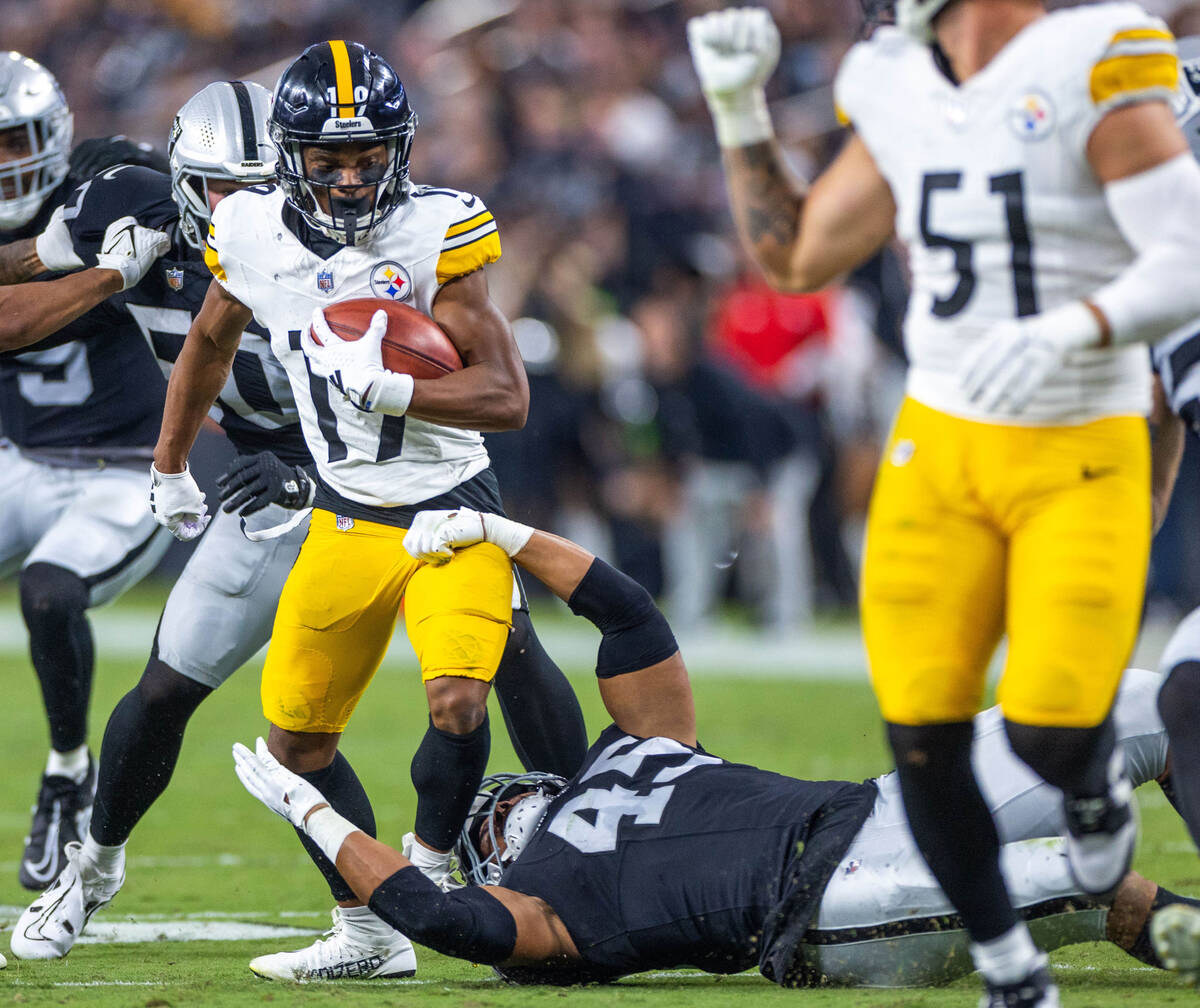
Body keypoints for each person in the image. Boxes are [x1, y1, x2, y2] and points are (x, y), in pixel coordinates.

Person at [687, 4, 1200, 1004]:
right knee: (923, 736)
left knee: (1052, 729)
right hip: (940, 437)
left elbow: (1185, 255)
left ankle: (1091, 786)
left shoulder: (1097, 56)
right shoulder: (898, 80)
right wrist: (739, 109)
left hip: (1076, 428)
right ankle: (1011, 971)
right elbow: (795, 257)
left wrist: (1076, 330)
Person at [232, 506, 1195, 989]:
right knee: (1081, 881)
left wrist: (504, 531)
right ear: (494, 867)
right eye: (491, 822)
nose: (506, 807)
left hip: (874, 806)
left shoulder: (637, 745)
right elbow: (443, 923)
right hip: (819, 912)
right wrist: (308, 807)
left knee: (1135, 704)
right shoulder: (541, 911)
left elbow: (628, 618)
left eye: (503, 797)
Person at [147, 41, 588, 981]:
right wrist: (172, 463)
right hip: (345, 514)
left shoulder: (437, 232)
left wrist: (393, 390)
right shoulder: (251, 231)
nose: (351, 179)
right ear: (289, 156)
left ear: (401, 150)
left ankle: (426, 871)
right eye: (328, 158)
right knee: (294, 742)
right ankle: (368, 933)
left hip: (449, 510)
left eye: (369, 156)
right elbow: (209, 344)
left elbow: (507, 397)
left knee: (459, 697)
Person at [0, 51, 183, 892]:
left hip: (124, 465)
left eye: (13, 141)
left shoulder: (111, 175)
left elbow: (161, 200)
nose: (3, 161)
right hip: (20, 457)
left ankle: (68, 768)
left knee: (49, 592)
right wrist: (92, 269)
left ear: (50, 135)